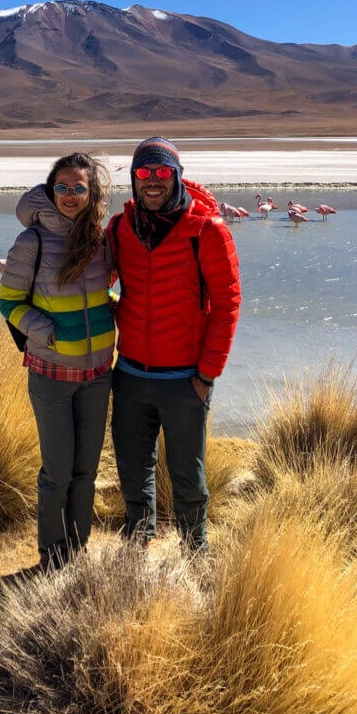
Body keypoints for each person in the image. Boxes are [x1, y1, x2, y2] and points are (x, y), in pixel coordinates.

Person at [107, 137, 241, 552]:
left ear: (177, 177)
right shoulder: (120, 228)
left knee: (187, 475)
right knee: (132, 470)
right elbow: (97, 284)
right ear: (133, 178)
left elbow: (227, 304)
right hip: (129, 374)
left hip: (185, 379)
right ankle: (137, 548)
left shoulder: (207, 231)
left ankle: (193, 552)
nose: (153, 182)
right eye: (144, 173)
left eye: (162, 173)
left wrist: (206, 375)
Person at [0, 153, 115, 570]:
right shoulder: (33, 241)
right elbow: (9, 302)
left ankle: (77, 550)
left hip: (99, 373)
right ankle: (52, 554)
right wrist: (45, 331)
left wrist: (112, 310)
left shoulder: (100, 239)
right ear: (50, 191)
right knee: (57, 471)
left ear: (91, 192)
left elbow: (98, 293)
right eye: (62, 187)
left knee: (86, 471)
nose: (70, 195)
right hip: (52, 373)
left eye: (78, 188)